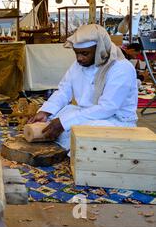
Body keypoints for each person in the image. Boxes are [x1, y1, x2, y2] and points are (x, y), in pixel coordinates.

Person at [28, 24, 138, 152]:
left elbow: (107, 108)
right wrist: (45, 111)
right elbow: (64, 91)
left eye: (85, 53)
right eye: (76, 53)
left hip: (114, 121)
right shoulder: (78, 65)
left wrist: (64, 122)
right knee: (52, 120)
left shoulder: (121, 68)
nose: (79, 58)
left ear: (99, 49)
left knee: (76, 131)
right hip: (86, 113)